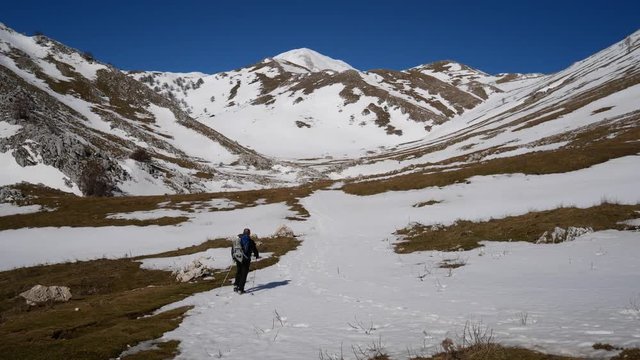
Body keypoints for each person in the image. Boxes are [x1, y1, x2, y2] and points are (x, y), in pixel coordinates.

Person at [233, 228, 259, 294]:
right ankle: (241, 289)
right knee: (244, 274)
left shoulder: (238, 240)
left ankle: (236, 286)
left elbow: (233, 249)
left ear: (243, 232)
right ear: (249, 233)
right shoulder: (250, 241)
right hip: (246, 259)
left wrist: (234, 257)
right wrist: (256, 255)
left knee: (238, 271)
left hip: (238, 258)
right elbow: (255, 250)